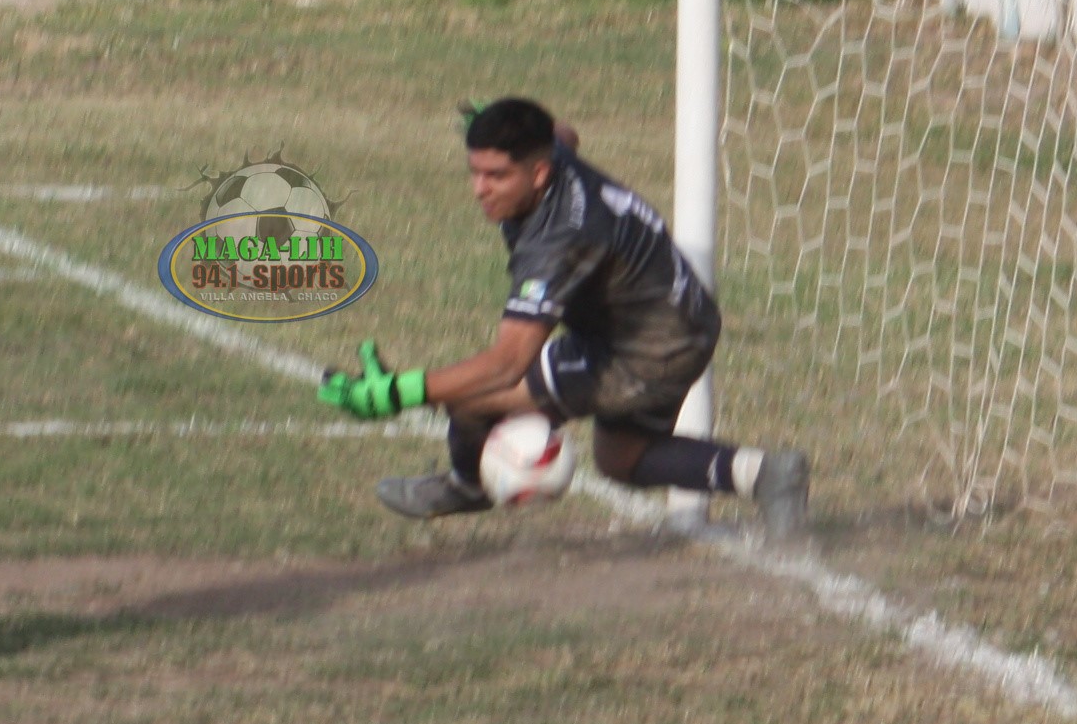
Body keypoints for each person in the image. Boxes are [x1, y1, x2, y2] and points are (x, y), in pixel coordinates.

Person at [324, 97, 810, 538]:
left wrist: (397, 392)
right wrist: (497, 127)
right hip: (677, 321)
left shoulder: (558, 241)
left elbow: (508, 362)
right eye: (475, 171)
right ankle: (767, 474)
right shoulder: (554, 158)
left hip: (645, 351)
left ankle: (467, 486)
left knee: (475, 397)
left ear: (537, 174)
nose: (480, 190)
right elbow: (566, 134)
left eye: (496, 176)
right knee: (621, 458)